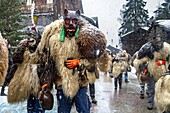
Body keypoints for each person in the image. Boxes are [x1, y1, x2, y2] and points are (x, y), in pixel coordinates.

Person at [28, 9, 107, 113]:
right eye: (68, 21)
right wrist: (46, 82)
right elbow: (49, 63)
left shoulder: (85, 40)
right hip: (62, 84)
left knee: (84, 110)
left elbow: (92, 61)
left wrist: (79, 63)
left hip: (80, 83)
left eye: (74, 21)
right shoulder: (54, 41)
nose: (70, 25)